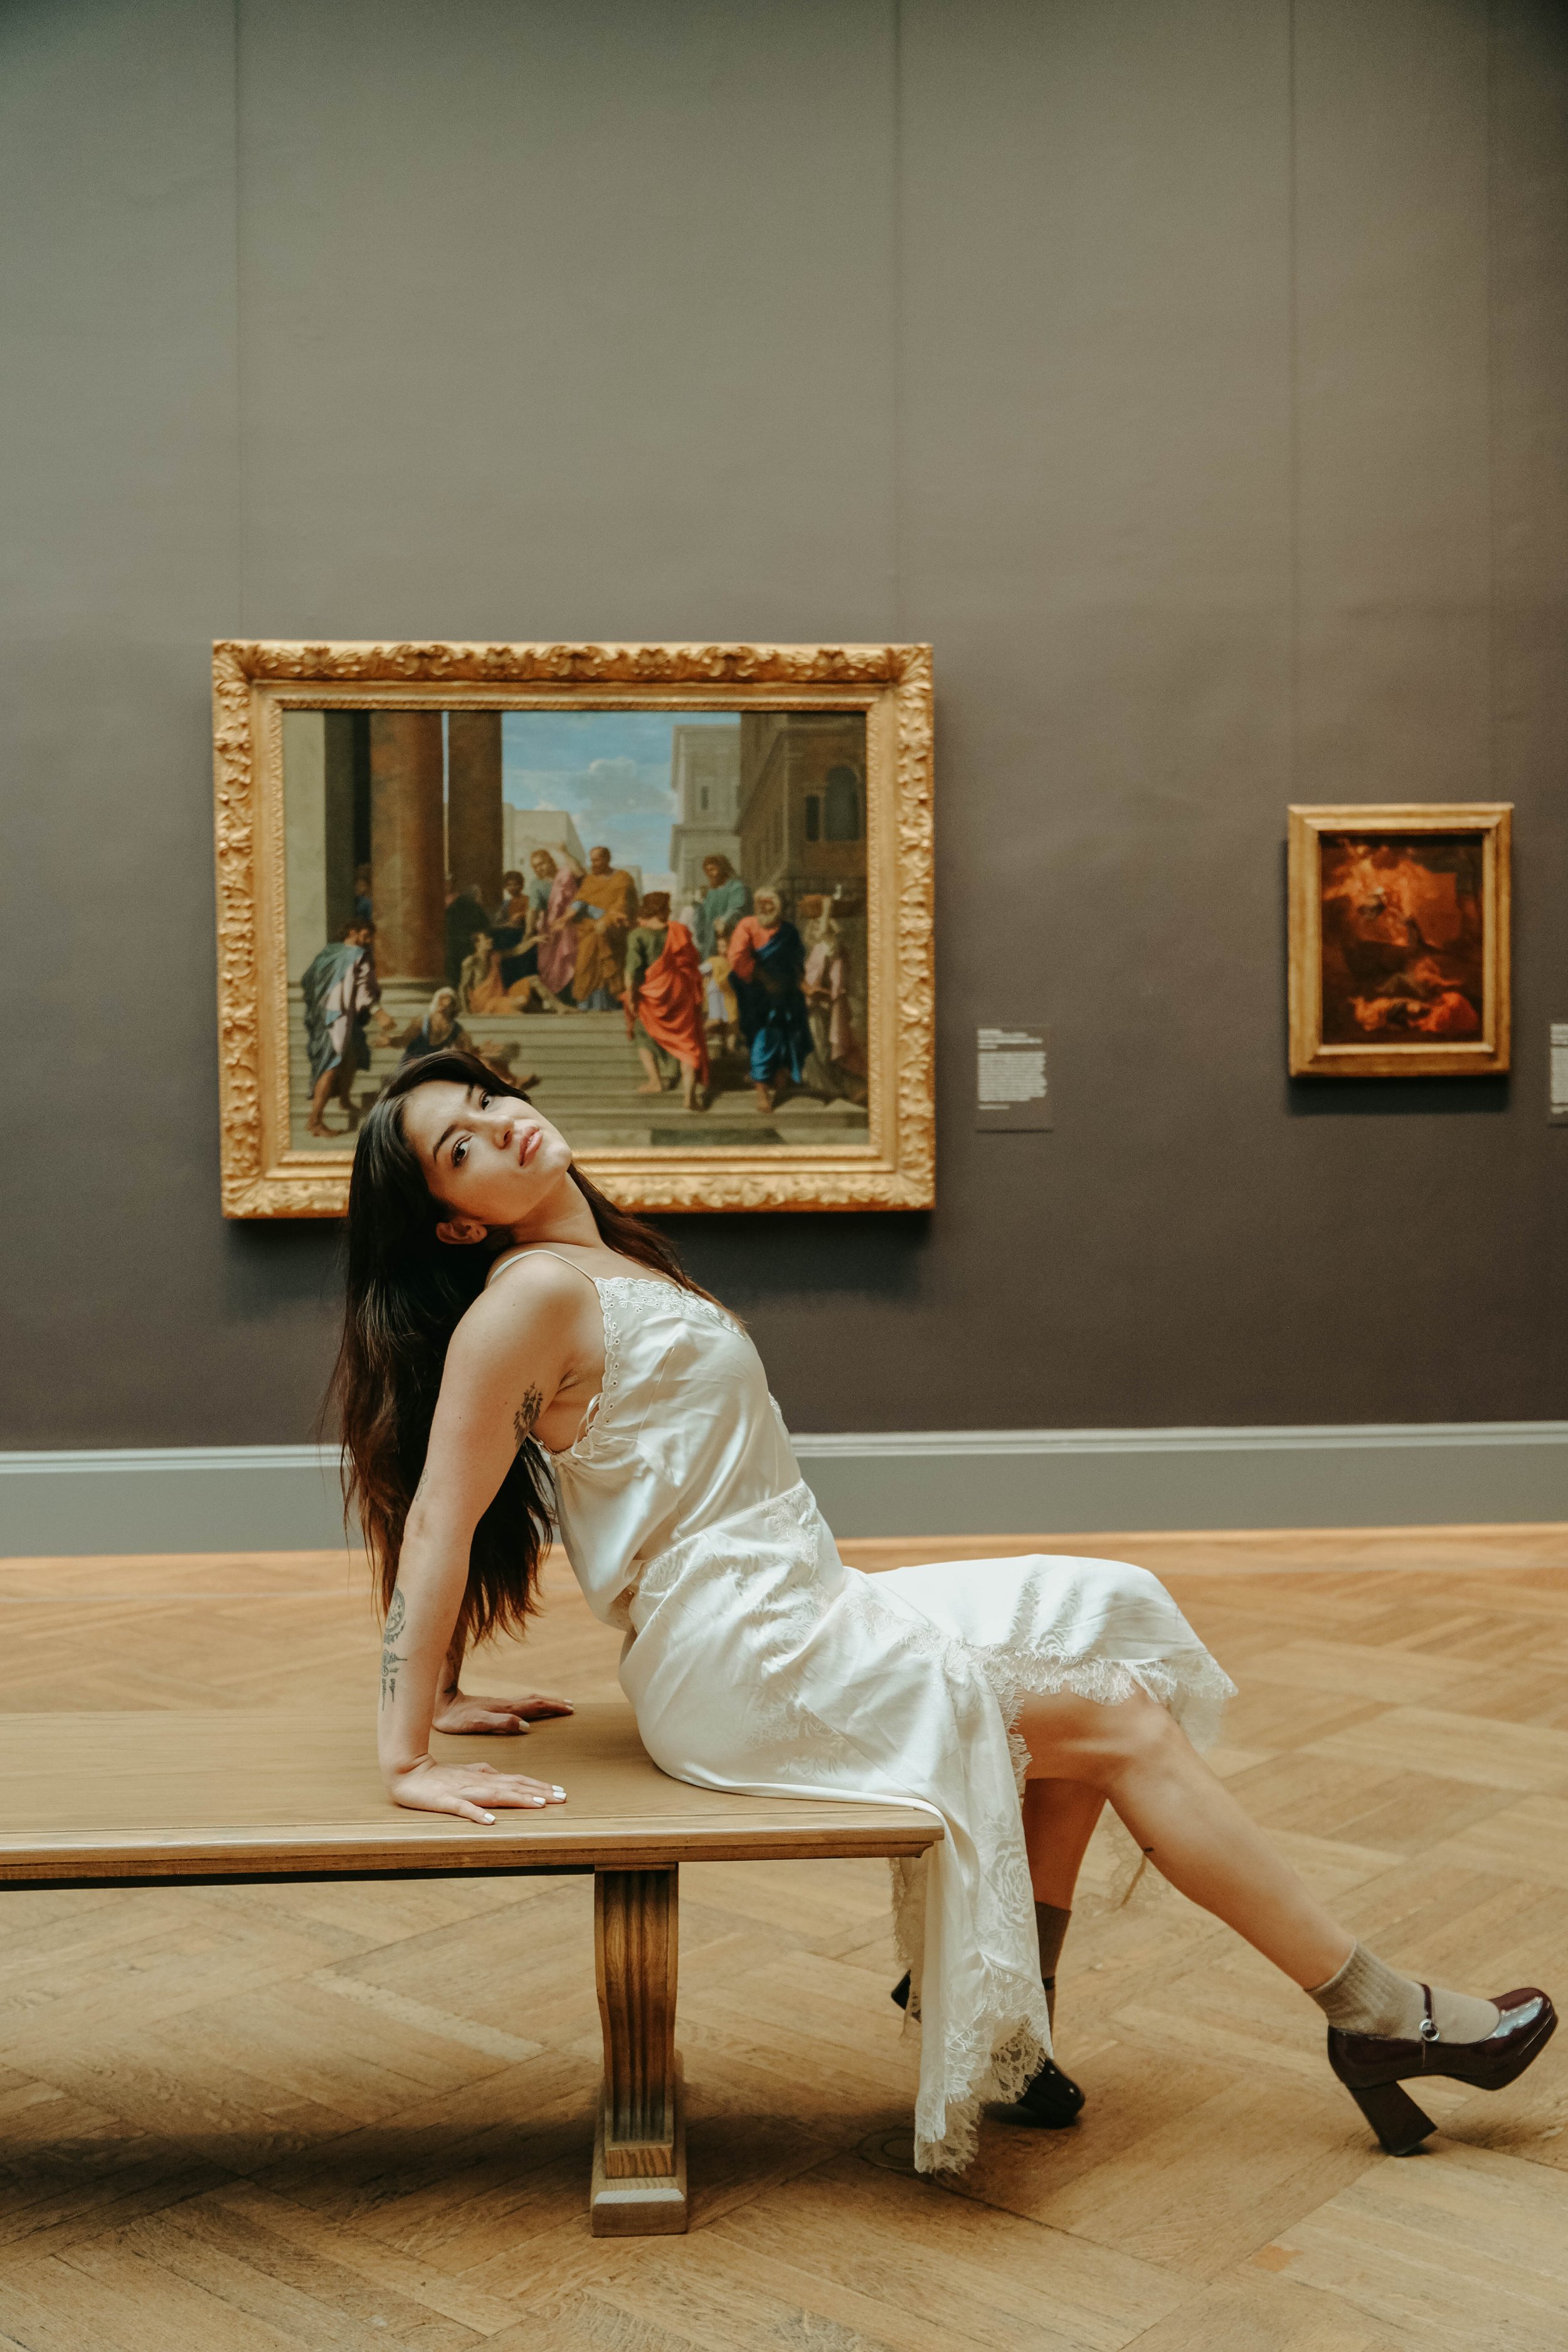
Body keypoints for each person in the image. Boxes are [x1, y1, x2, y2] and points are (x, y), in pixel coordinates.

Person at [334, 1052, 1555, 2176]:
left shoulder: (605, 1262)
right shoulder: (527, 1298)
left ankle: (1005, 2031)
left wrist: (446, 1694)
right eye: (460, 1147)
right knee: (1118, 1719)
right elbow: (441, 1516)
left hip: (801, 1602)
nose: (499, 1126)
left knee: (1088, 1626)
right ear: (454, 1218)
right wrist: (407, 1752)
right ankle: (1378, 2017)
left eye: (486, 1103)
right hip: (745, 1655)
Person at [301, 919, 393, 1136]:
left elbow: (308, 980)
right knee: (331, 1065)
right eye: (366, 935)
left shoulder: (330, 952)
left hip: (329, 1014)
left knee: (350, 1058)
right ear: (353, 932)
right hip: (339, 1017)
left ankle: (344, 1100)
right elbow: (362, 990)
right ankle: (314, 1120)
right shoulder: (357, 956)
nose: (369, 940)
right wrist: (379, 1013)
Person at [726, 887, 813, 1111]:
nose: (765, 907)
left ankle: (779, 1077)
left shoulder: (790, 932)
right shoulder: (747, 925)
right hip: (757, 996)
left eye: (770, 903)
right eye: (761, 903)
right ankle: (762, 1091)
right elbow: (737, 958)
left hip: (788, 996)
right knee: (764, 1039)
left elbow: (797, 965)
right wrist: (766, 981)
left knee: (792, 1037)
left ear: (780, 906)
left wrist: (805, 988)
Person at [622, 891, 709, 1113]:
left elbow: (632, 971)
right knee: (687, 1042)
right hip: (679, 990)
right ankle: (689, 1096)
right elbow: (692, 961)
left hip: (653, 992)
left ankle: (655, 1081)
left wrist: (631, 997)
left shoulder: (638, 935)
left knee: (642, 1033)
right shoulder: (678, 930)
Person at [800, 894, 868, 1106]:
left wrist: (828, 910)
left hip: (825, 1003)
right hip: (814, 1003)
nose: (815, 930)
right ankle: (827, 1087)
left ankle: (843, 1088)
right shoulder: (815, 950)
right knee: (818, 1047)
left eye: (819, 926)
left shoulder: (829, 949)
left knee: (827, 1047)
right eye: (813, 926)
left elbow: (832, 977)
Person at [571, 847, 638, 1010]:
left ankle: (607, 1007)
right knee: (584, 964)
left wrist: (607, 921)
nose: (593, 864)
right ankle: (586, 1007)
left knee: (608, 967)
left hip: (615, 933)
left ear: (608, 859)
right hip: (590, 929)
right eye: (592, 860)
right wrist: (566, 917)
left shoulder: (623, 878)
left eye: (597, 860)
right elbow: (580, 902)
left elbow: (624, 905)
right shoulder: (590, 880)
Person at [533, 849, 585, 1002]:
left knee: (572, 960)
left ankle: (575, 998)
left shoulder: (565, 875)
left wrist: (564, 852)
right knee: (552, 966)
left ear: (550, 861)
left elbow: (580, 872)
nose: (539, 868)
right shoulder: (537, 884)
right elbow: (534, 909)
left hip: (573, 924)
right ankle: (560, 1000)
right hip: (551, 928)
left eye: (541, 864)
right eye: (535, 867)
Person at [693, 852, 750, 957]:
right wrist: (699, 907)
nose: (710, 874)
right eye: (707, 871)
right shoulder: (711, 893)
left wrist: (724, 921)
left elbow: (736, 908)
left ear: (722, 869)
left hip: (730, 936)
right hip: (711, 943)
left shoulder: (736, 887)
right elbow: (705, 919)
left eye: (713, 869)